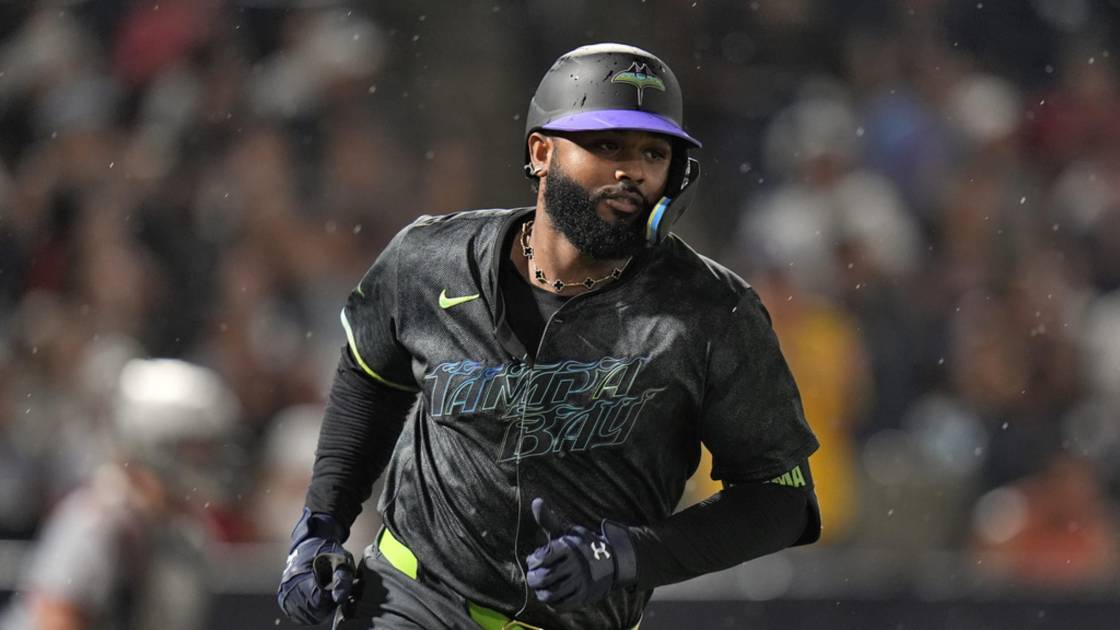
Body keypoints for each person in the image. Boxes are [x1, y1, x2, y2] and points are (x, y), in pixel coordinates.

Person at [277, 43, 821, 630]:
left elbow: (782, 500)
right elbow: (370, 378)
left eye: (654, 152)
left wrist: (628, 554)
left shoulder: (713, 311)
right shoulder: (427, 260)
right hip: (410, 602)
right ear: (541, 152)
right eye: (607, 145)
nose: (633, 171)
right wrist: (320, 525)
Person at [1, 358, 241, 630]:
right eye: (199, 448)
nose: (210, 460)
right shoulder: (98, 522)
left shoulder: (186, 535)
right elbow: (55, 619)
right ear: (158, 446)